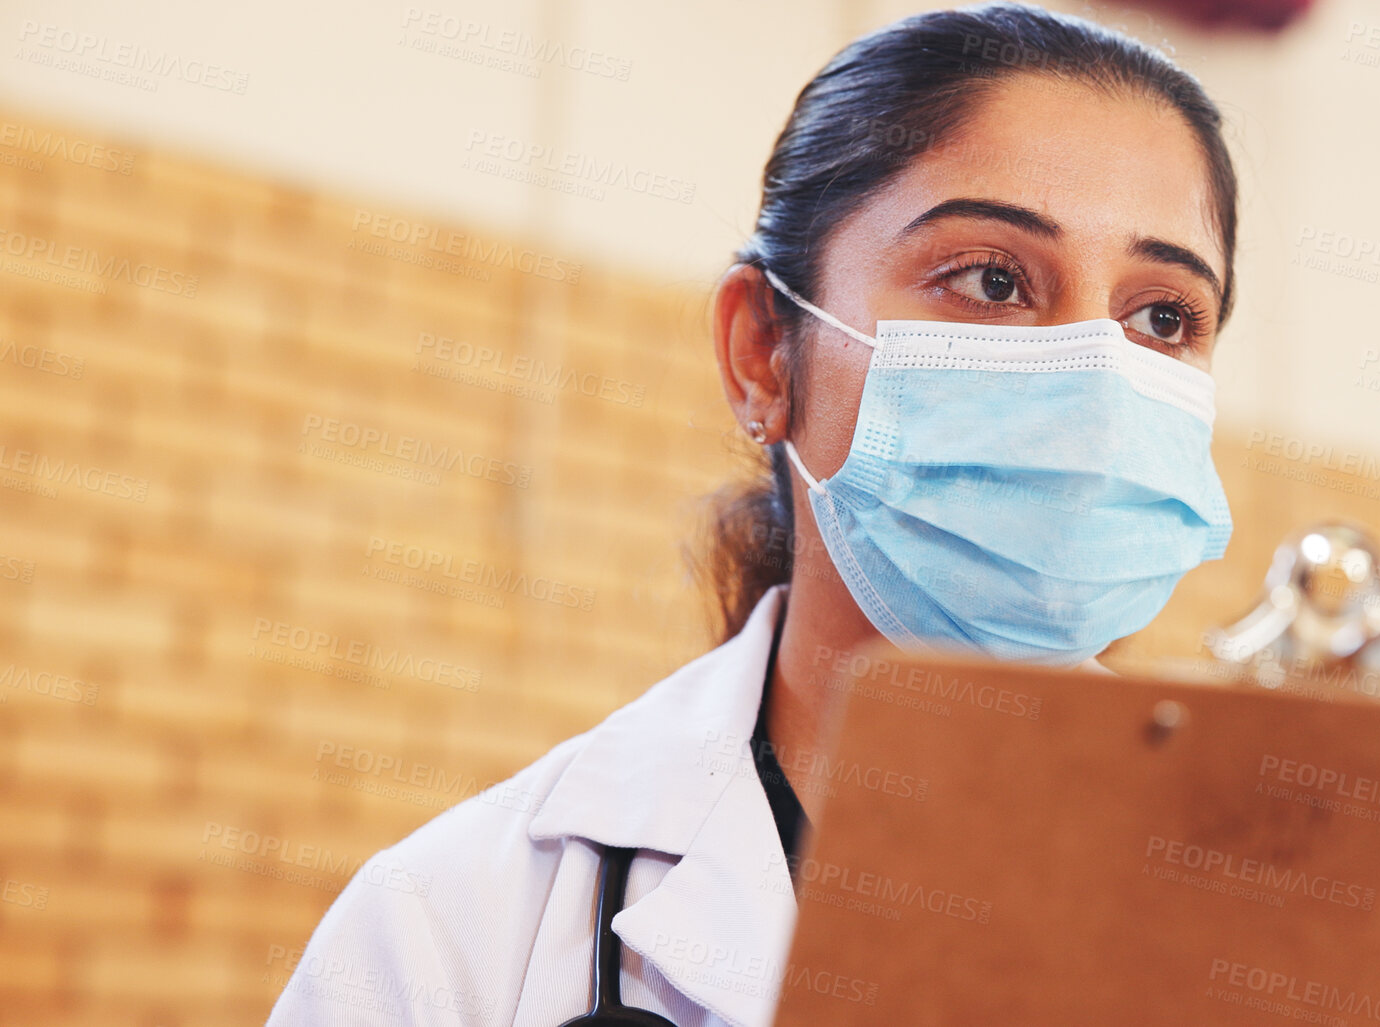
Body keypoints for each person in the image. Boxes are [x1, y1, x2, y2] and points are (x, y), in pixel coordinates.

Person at [266, 2, 1241, 1024]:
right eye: (992, 280)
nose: (1090, 387)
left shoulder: (1284, 915)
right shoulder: (451, 929)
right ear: (765, 353)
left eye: (1161, 316)